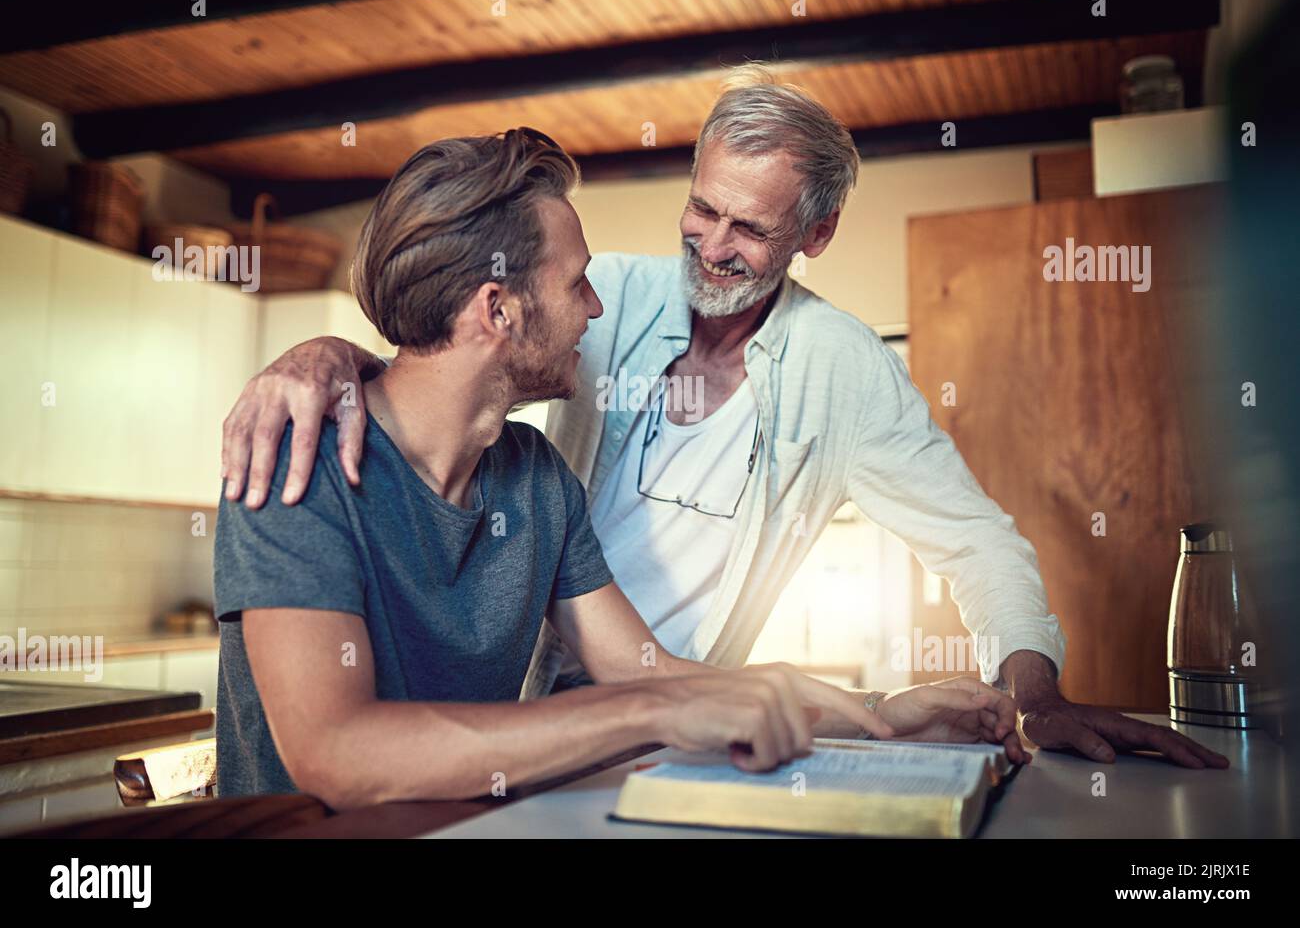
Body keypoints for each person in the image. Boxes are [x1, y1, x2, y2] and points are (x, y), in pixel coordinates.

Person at [221, 67, 1227, 771]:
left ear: (815, 233)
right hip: (520, 748)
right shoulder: (330, 454)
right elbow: (445, 344)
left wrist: (955, 703)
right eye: (701, 209)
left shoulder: (554, 465)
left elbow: (972, 543)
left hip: (645, 739)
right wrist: (319, 356)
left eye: (749, 226)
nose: (707, 247)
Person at [214, 127, 1024, 806]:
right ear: (499, 309)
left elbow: (651, 671)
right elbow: (337, 750)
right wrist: (645, 712)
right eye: (577, 284)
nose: (597, 310)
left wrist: (881, 716)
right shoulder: (297, 463)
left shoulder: (534, 478)